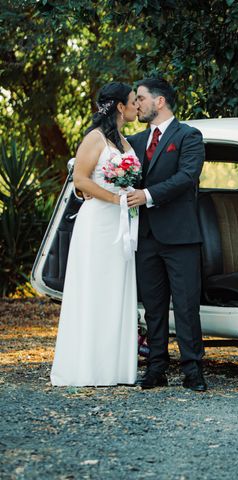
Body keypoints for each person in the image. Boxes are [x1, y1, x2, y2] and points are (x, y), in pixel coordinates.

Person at [50, 82, 140, 386]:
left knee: (117, 289)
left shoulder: (125, 141)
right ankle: (86, 367)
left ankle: (114, 368)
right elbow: (80, 181)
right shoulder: (95, 138)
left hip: (123, 224)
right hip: (98, 222)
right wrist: (115, 199)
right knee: (94, 289)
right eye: (132, 101)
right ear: (119, 107)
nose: (136, 106)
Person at [126, 78, 207, 392]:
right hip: (145, 236)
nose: (137, 105)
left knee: (186, 306)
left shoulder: (188, 136)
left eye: (142, 99)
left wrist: (147, 195)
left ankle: (193, 371)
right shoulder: (134, 141)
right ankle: (155, 367)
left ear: (159, 102)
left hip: (181, 236)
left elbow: (187, 177)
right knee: (154, 307)